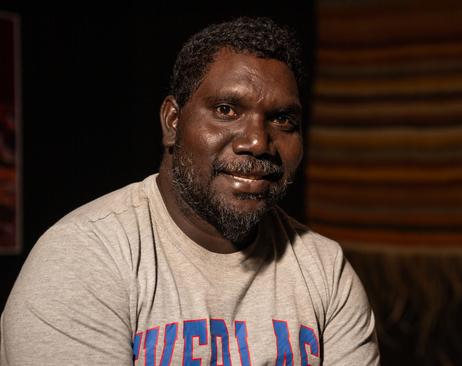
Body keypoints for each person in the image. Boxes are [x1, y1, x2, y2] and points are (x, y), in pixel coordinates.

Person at [0, 17, 379, 365]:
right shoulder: (84, 256)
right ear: (172, 122)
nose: (258, 141)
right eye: (227, 109)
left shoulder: (325, 269)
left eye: (282, 119)